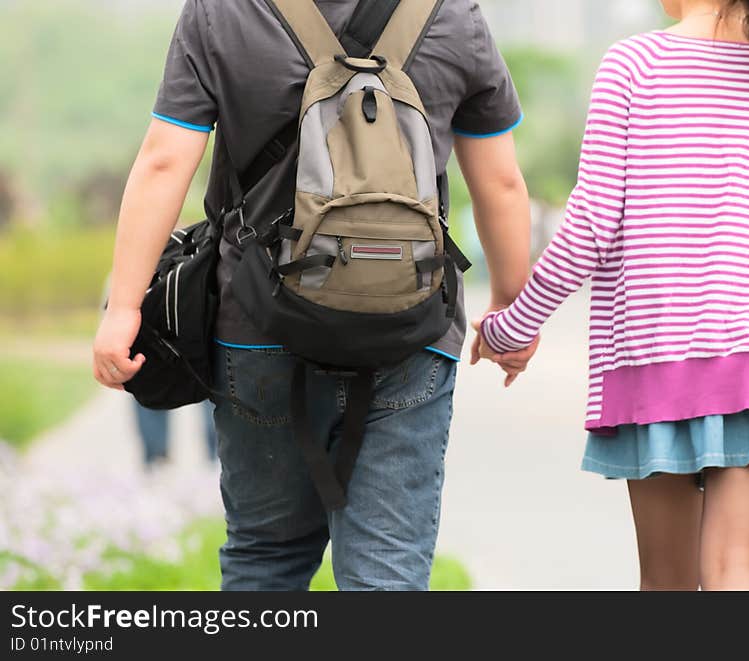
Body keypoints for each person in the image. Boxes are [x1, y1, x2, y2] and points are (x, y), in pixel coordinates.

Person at [93, 0, 536, 591]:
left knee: (264, 558)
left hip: (257, 324)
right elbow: (502, 183)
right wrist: (511, 313)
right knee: (389, 570)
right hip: (409, 332)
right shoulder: (453, 14)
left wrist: (124, 309)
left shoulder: (221, 12)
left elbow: (163, 162)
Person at [476, 0, 749, 591]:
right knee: (735, 573)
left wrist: (514, 325)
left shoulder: (635, 63)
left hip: (653, 353)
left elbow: (590, 224)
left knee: (665, 582)